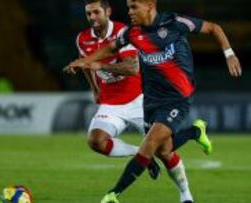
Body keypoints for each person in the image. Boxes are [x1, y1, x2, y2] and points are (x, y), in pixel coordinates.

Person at [66, 0, 242, 202]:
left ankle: (114, 194)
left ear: (150, 5)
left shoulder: (174, 22)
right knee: (164, 150)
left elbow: (213, 28)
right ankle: (195, 133)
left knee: (149, 145)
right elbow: (110, 48)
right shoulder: (132, 33)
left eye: (134, 8)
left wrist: (229, 54)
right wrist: (86, 62)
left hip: (177, 96)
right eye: (129, 7)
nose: (129, 12)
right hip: (151, 98)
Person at [74, 0, 160, 179]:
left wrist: (100, 66)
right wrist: (94, 89)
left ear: (108, 12)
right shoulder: (82, 38)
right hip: (110, 102)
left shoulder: (123, 32)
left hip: (138, 98)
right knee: (96, 141)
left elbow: (131, 68)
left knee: (164, 147)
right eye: (89, 14)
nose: (92, 17)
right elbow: (85, 64)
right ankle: (141, 153)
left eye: (96, 12)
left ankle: (195, 133)